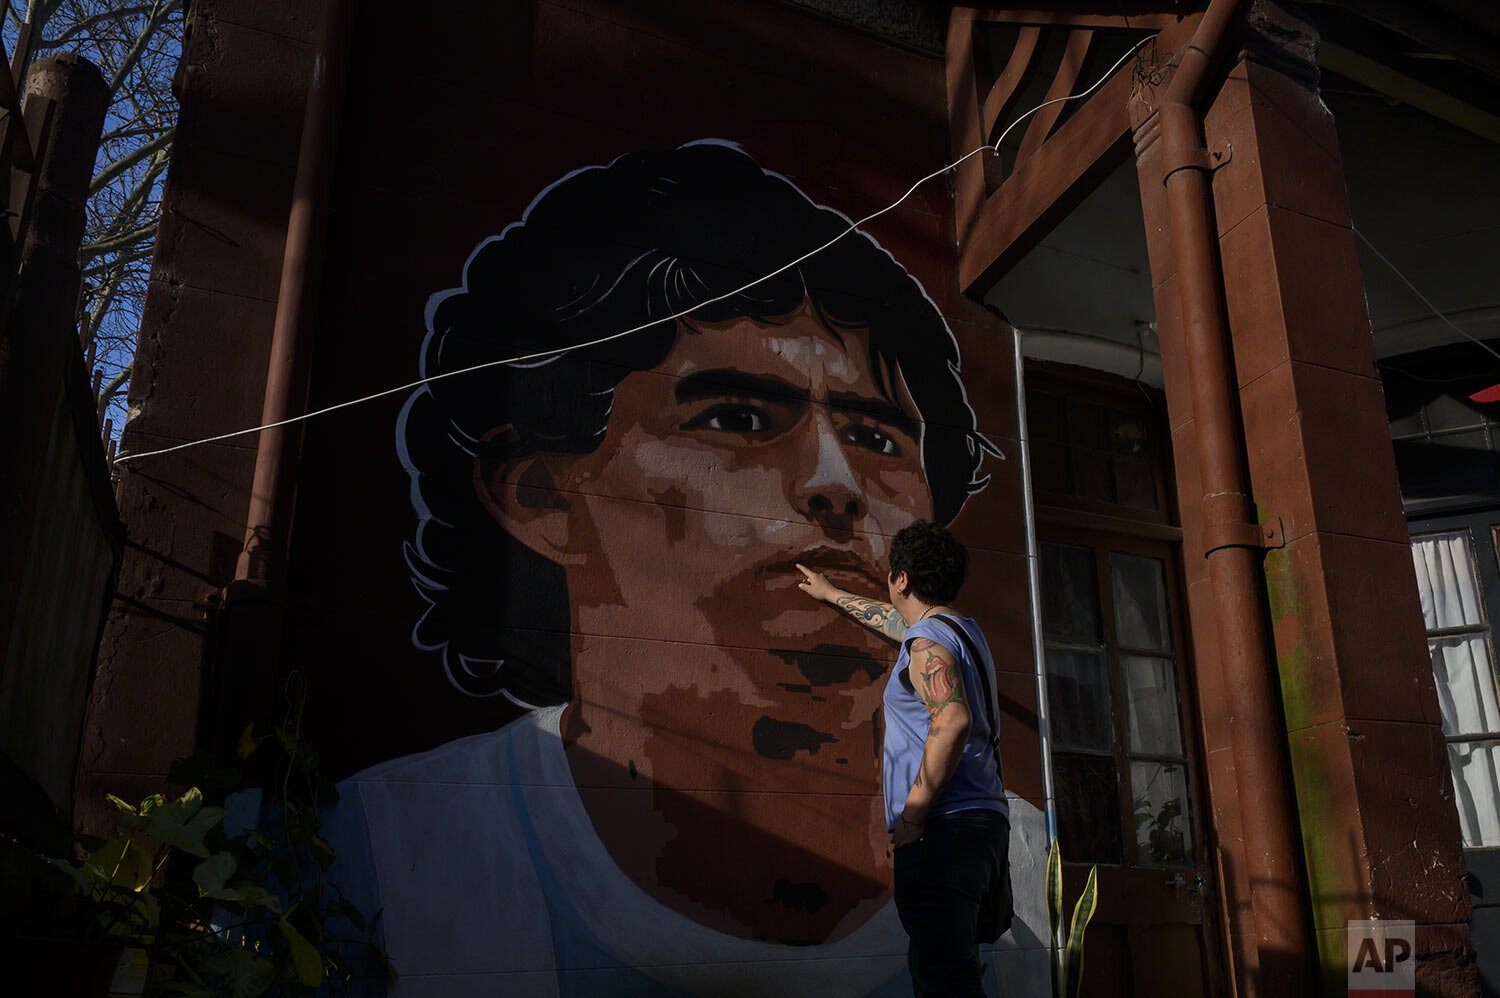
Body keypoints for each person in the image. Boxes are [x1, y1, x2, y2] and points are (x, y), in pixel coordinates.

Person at [322, 140, 1045, 996]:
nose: (836, 484)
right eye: (738, 417)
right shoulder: (389, 857)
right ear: (544, 494)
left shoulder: (1029, 873)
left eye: (877, 438)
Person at [796, 520, 1010, 997]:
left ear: (902, 580)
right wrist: (833, 595)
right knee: (950, 972)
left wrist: (914, 814)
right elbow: (898, 622)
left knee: (943, 980)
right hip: (983, 826)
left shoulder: (926, 643)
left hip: (943, 830)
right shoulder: (959, 632)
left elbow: (950, 719)